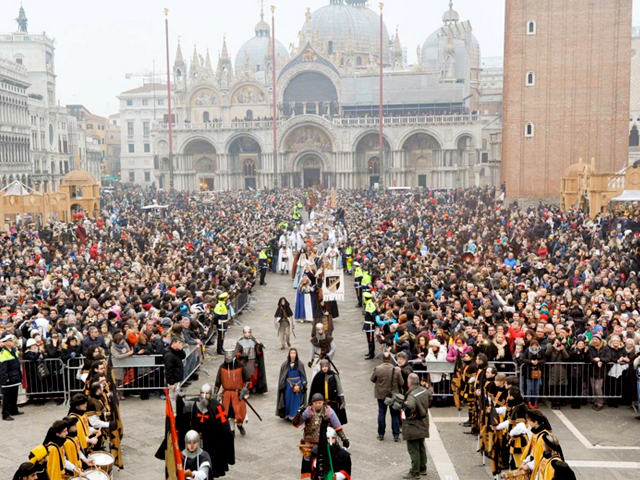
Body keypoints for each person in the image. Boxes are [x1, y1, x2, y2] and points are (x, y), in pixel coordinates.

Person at [178, 385, 235, 478]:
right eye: (202, 393)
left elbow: (224, 426)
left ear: (211, 394)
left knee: (210, 462)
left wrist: (228, 437)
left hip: (211, 441)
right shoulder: (193, 403)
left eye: (207, 394)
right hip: (195, 439)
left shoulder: (216, 406)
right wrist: (179, 399)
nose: (204, 396)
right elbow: (182, 412)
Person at [292, 393, 350, 480]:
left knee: (324, 464)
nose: (318, 405)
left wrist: (344, 438)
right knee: (310, 465)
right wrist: (299, 414)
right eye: (316, 403)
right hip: (309, 443)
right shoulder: (308, 411)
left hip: (324, 442)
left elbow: (337, 426)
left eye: (320, 402)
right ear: (312, 403)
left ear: (323, 402)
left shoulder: (329, 411)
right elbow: (296, 423)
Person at [402, 373, 431, 479]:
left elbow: (409, 406)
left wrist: (407, 412)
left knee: (413, 448)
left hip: (413, 424)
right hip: (424, 422)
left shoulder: (411, 395)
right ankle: (423, 467)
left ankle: (415, 471)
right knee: (421, 445)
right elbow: (430, 400)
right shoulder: (424, 390)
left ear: (409, 383)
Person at [371, 351, 404, 442]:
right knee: (394, 415)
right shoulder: (396, 370)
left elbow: (372, 379)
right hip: (393, 395)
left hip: (381, 395)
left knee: (381, 413)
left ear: (382, 359)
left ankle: (381, 434)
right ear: (390, 359)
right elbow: (401, 383)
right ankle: (396, 435)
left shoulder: (377, 369)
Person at [215, 351, 250, 436]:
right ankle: (232, 431)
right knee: (229, 414)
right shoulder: (222, 367)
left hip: (237, 394)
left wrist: (244, 390)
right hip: (226, 395)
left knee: (238, 413)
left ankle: (240, 425)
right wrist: (214, 395)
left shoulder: (241, 366)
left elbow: (248, 380)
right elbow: (217, 382)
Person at [309, 359, 347, 425]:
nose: (324, 368)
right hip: (322, 404)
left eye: (326, 366)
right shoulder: (317, 377)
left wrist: (342, 401)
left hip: (333, 403)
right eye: (323, 367)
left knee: (334, 421)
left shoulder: (334, 376)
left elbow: (339, 389)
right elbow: (313, 391)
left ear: (329, 366)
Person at [276, 348, 308, 420]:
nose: (293, 354)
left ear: (296, 354)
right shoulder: (285, 364)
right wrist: (282, 384)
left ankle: (295, 416)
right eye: (291, 353)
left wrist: (303, 383)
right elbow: (283, 376)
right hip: (288, 385)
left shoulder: (300, 364)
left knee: (296, 401)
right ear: (289, 354)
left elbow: (302, 375)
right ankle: (288, 414)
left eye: (294, 353)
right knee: (288, 400)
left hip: (298, 385)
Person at [235, 326, 267, 394]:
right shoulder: (240, 342)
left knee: (254, 377)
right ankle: (247, 389)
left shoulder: (254, 341)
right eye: (245, 332)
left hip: (253, 361)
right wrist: (241, 355)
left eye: (248, 332)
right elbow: (236, 352)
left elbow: (258, 351)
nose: (247, 334)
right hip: (244, 362)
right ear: (243, 333)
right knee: (246, 376)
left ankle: (253, 387)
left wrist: (260, 347)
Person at [0, 333, 23, 421]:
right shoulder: (3, 353)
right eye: (10, 340)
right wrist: (6, 379)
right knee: (7, 397)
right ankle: (5, 414)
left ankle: (14, 410)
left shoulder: (13, 350)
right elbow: (3, 368)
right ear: (5, 343)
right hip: (9, 378)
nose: (12, 342)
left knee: (14, 395)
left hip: (15, 376)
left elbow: (17, 364)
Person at [164, 337, 186, 409]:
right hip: (174, 379)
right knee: (172, 398)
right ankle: (173, 413)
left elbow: (183, 356)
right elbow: (168, 370)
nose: (181, 344)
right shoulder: (169, 355)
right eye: (179, 343)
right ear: (174, 343)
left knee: (176, 396)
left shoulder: (177, 352)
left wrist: (181, 350)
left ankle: (176, 410)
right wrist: (171, 383)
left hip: (178, 378)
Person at [362, 291, 377, 360]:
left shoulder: (370, 305)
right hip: (368, 324)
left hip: (370, 325)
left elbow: (373, 316)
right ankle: (370, 352)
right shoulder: (368, 304)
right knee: (369, 340)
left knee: (371, 340)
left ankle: (371, 354)